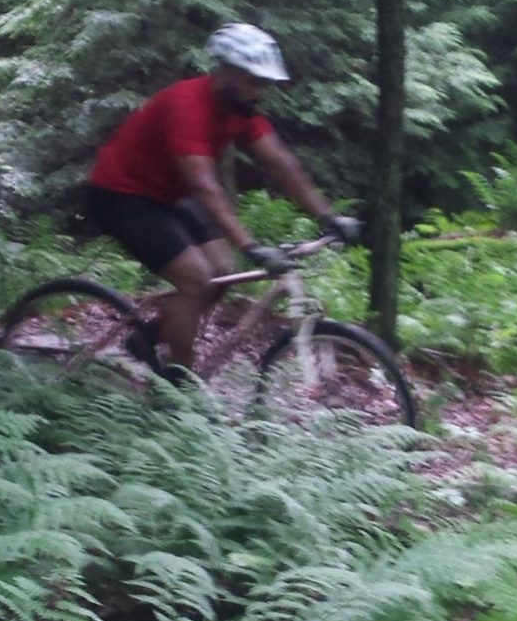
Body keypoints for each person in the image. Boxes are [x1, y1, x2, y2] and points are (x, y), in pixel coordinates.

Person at [84, 23, 360, 370]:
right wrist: (251, 245)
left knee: (223, 271)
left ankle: (151, 338)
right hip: (121, 194)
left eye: (264, 84)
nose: (260, 91)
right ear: (227, 73)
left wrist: (327, 215)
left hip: (168, 195)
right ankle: (179, 387)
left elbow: (282, 164)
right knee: (195, 278)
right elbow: (204, 186)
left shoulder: (240, 111)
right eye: (253, 81)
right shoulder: (187, 105)